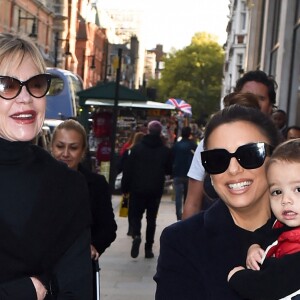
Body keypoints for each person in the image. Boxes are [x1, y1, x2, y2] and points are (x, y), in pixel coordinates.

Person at [154, 103, 282, 299]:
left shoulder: (292, 231)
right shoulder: (182, 241)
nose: (233, 170)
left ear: (274, 159)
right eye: (217, 159)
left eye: (249, 154)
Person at [0, 33, 92, 298]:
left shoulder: (68, 186)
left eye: (36, 84)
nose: (26, 98)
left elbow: (77, 289)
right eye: (7, 85)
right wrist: (21, 292)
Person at [182, 70, 278, 220]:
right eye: (246, 95)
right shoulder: (209, 144)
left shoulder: (283, 149)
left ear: (271, 106)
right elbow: (192, 202)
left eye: (260, 98)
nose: (234, 169)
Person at [50, 119, 118, 299]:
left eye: (73, 148)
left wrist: (93, 246)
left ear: (83, 151)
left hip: (78, 269)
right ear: (51, 147)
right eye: (60, 146)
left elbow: (108, 228)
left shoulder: (96, 184)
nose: (65, 154)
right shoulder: (36, 181)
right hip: (42, 268)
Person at [228, 139, 300, 299]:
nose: (285, 200)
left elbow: (269, 285)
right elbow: (262, 233)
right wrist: (254, 246)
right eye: (277, 192)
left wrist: (237, 276)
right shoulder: (279, 223)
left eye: (298, 189)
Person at [122, 120, 172, 259]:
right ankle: (148, 248)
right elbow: (169, 169)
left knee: (136, 215)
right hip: (155, 189)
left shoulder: (137, 148)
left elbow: (128, 169)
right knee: (151, 219)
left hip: (137, 188)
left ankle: (137, 234)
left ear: (148, 131)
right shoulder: (164, 151)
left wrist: (125, 187)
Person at [117, 131, 145, 236]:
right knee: (139, 208)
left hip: (131, 183)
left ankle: (131, 228)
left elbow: (120, 166)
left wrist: (124, 187)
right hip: (141, 183)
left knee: (131, 206)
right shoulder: (145, 154)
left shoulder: (128, 151)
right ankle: (136, 227)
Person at [171, 126, 197, 220]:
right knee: (188, 197)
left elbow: (172, 158)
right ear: (189, 134)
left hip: (177, 173)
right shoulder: (193, 145)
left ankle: (178, 215)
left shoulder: (176, 145)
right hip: (189, 174)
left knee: (178, 196)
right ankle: (186, 215)